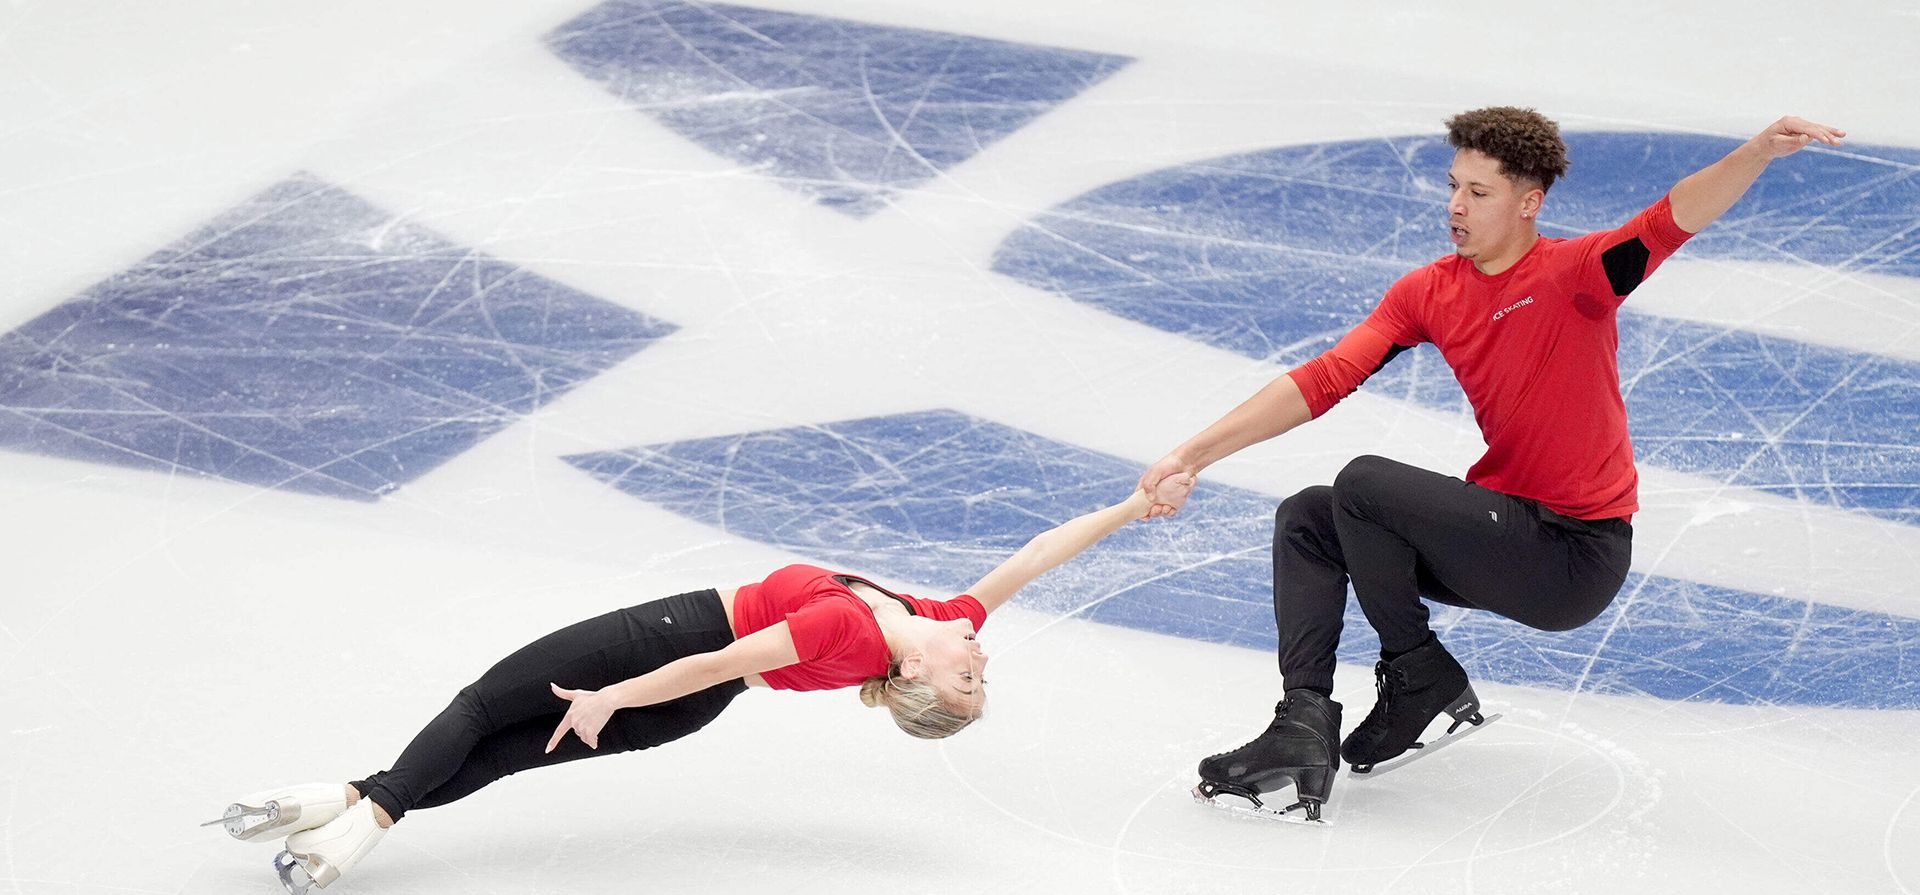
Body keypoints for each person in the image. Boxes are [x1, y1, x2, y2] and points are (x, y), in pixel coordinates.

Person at [1137, 108, 1846, 819]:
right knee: (1308, 518)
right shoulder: (1429, 292)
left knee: (1361, 485)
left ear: (1529, 203)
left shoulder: (1581, 274)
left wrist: (1756, 152)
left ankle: (1419, 672)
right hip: (1500, 535)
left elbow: (1673, 217)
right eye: (1453, 186)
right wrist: (1191, 454)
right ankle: (1303, 722)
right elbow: (1323, 378)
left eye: (1479, 193)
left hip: (1572, 555)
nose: (1454, 205)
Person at [208, 479, 1185, 893]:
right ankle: (329, 802)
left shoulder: (849, 629)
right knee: (501, 755)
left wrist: (611, 696)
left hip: (678, 648)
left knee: (480, 707)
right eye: (980, 672)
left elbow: (718, 660)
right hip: (698, 699)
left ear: (918, 677)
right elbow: (1039, 554)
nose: (980, 661)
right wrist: (1134, 507)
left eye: (968, 683)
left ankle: (357, 827)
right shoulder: (943, 617)